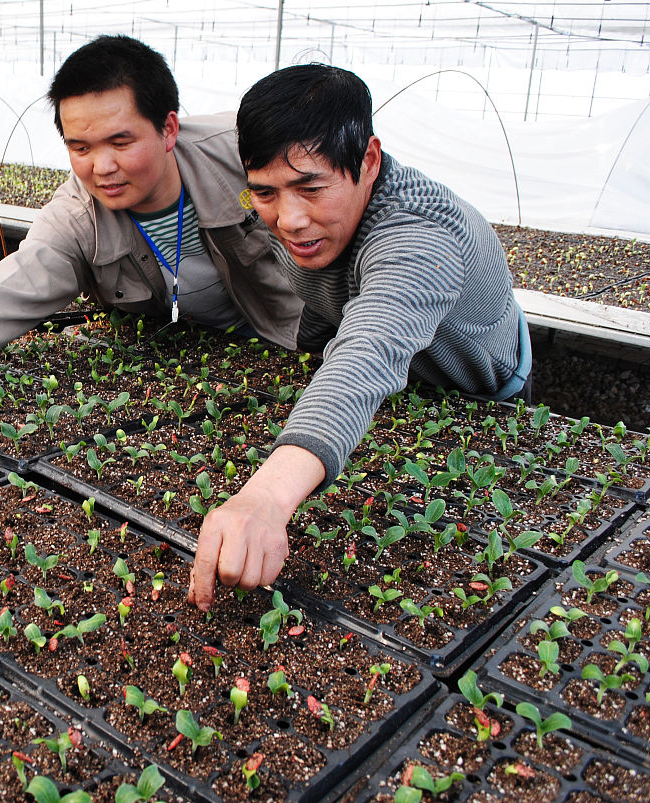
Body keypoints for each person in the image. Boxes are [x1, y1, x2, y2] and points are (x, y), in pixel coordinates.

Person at [187, 64, 531, 611]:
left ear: (368, 161)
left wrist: (268, 496)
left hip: (478, 392)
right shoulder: (291, 218)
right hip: (400, 381)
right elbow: (332, 309)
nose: (290, 220)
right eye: (265, 193)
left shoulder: (421, 236)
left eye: (310, 188)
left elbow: (368, 353)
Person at [0, 34, 303, 430]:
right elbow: (13, 285)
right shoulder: (79, 214)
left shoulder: (249, 152)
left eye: (121, 142)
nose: (102, 167)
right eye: (80, 147)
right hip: (209, 363)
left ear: (168, 129)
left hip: (300, 344)